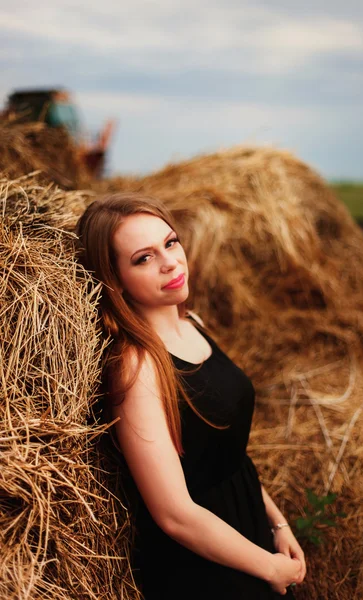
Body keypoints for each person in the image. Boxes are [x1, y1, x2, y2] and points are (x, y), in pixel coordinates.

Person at [75, 192, 307, 599]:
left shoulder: (193, 325)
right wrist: (268, 566)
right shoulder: (137, 368)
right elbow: (174, 514)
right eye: (143, 258)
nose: (170, 262)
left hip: (247, 528)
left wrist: (276, 525)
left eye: (170, 242)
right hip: (203, 564)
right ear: (114, 280)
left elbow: (228, 452)